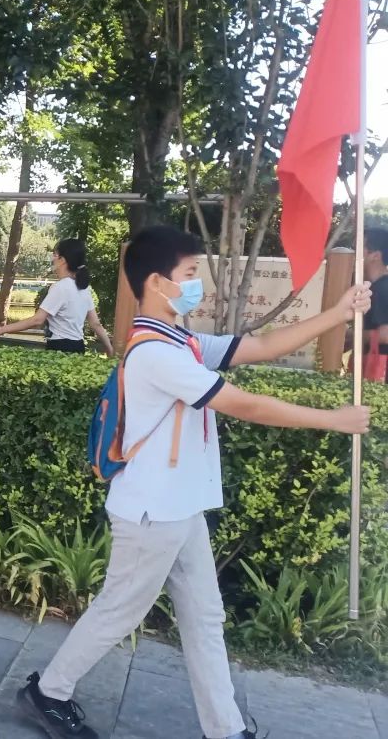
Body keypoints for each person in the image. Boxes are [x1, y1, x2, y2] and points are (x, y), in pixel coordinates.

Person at [20, 226, 371, 739]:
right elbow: (243, 405)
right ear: (157, 282)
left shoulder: (179, 341)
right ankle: (48, 692)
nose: (195, 284)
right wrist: (331, 420)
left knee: (205, 617)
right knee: (118, 612)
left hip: (180, 509)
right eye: (188, 274)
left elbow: (259, 346)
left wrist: (337, 314)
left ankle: (226, 729)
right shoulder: (155, 353)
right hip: (151, 512)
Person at [0, 238, 113, 356]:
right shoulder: (84, 288)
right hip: (79, 347)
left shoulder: (60, 287)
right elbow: (96, 324)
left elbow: (37, 320)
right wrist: (110, 350)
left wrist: (1, 330)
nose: (53, 258)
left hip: (60, 347)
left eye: (55, 255)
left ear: (62, 260)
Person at [358, 228, 388, 381]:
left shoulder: (383, 288)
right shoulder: (375, 287)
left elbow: (385, 335)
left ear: (375, 255)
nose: (356, 253)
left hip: (380, 370)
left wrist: (350, 334)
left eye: (361, 247)